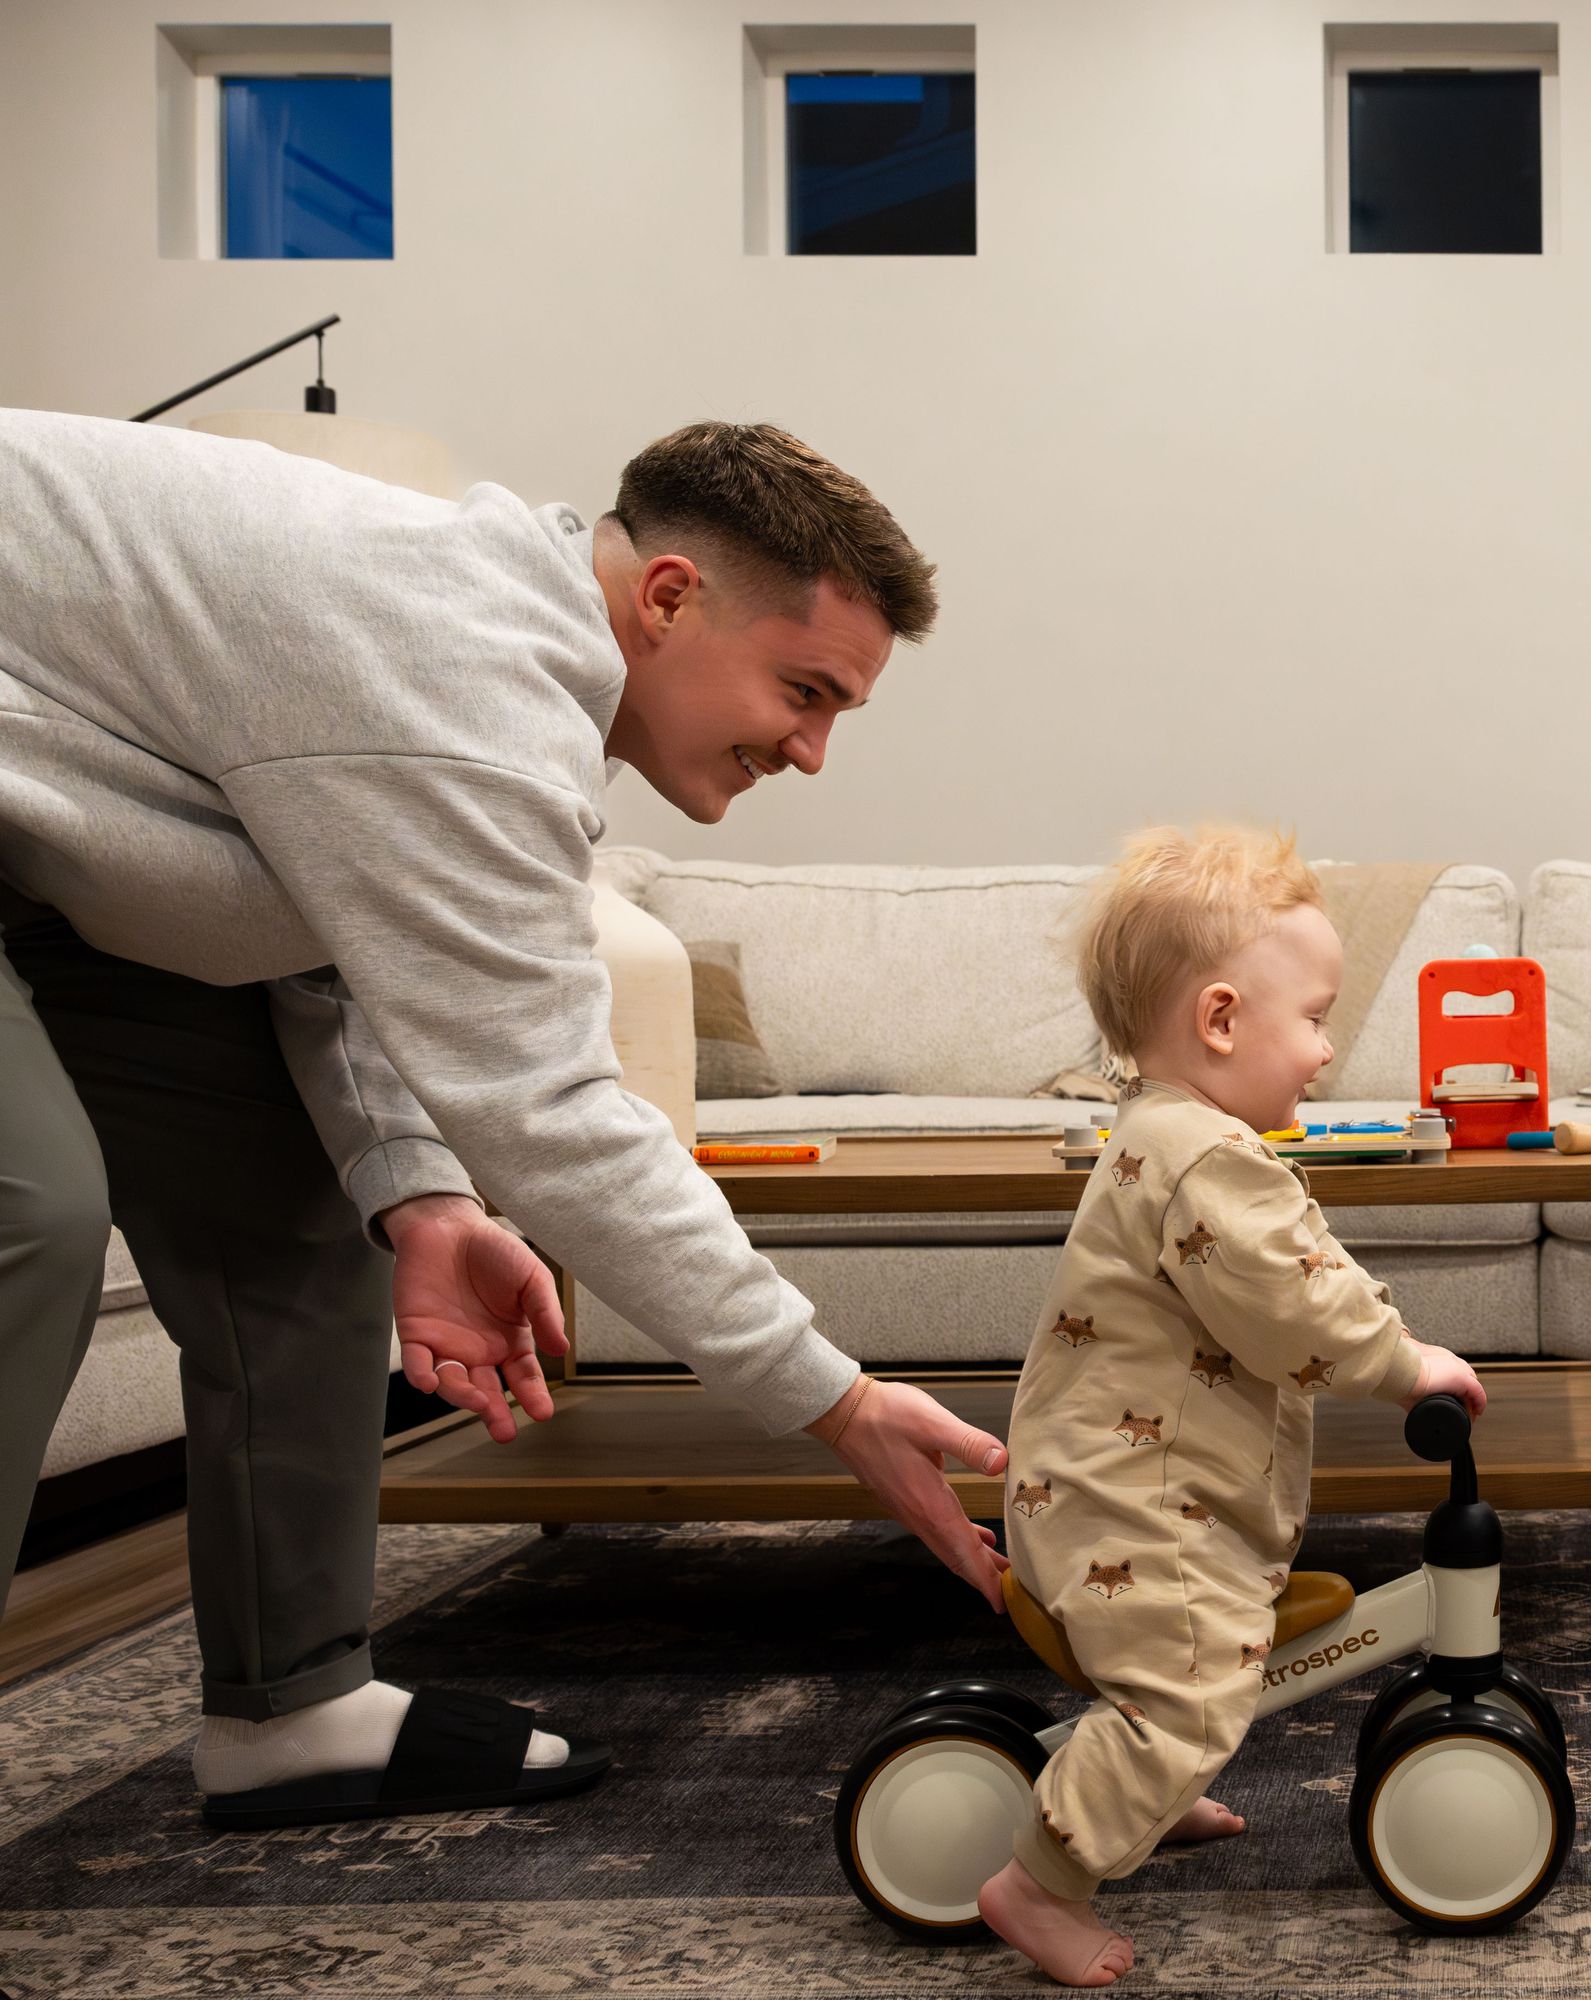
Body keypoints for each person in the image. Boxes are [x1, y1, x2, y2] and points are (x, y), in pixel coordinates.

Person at [0, 411, 1017, 1826]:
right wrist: (835, 1402)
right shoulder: (467, 685)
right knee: (26, 1214)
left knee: (298, 1217)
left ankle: (290, 1707)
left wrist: (421, 1197)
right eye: (804, 690)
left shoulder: (482, 668)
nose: (814, 749)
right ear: (668, 598)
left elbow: (326, 939)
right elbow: (554, 1110)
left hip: (52, 835)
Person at [979, 826, 1486, 1987]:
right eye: (1311, 1016)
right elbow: (1296, 1299)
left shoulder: (1170, 1134)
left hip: (1131, 1483)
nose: (1324, 1047)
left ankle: (1144, 1790)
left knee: (1218, 1634)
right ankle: (1042, 1880)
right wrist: (1407, 1360)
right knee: (1193, 1675)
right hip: (1128, 1500)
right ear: (1219, 1019)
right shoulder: (1207, 1158)